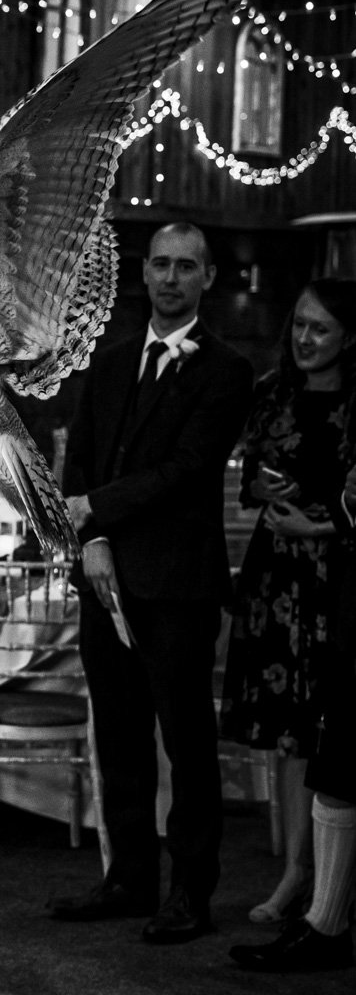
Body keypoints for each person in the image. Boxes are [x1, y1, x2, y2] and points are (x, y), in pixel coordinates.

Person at [53, 222, 254, 943]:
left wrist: (96, 510)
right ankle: (128, 879)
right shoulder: (106, 366)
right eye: (161, 265)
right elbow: (79, 465)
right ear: (146, 273)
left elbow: (189, 471)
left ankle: (190, 893)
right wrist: (94, 538)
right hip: (105, 579)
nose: (171, 278)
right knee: (120, 738)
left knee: (187, 742)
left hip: (178, 586)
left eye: (186, 267)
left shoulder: (227, 372)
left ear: (207, 279)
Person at [220, 279, 356, 925]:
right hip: (276, 577)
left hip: (340, 575)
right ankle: (294, 874)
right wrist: (260, 482)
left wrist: (322, 525)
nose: (304, 338)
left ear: (349, 338)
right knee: (285, 731)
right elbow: (247, 471)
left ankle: (334, 884)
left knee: (335, 729)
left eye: (320, 329)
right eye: (299, 325)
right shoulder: (272, 391)